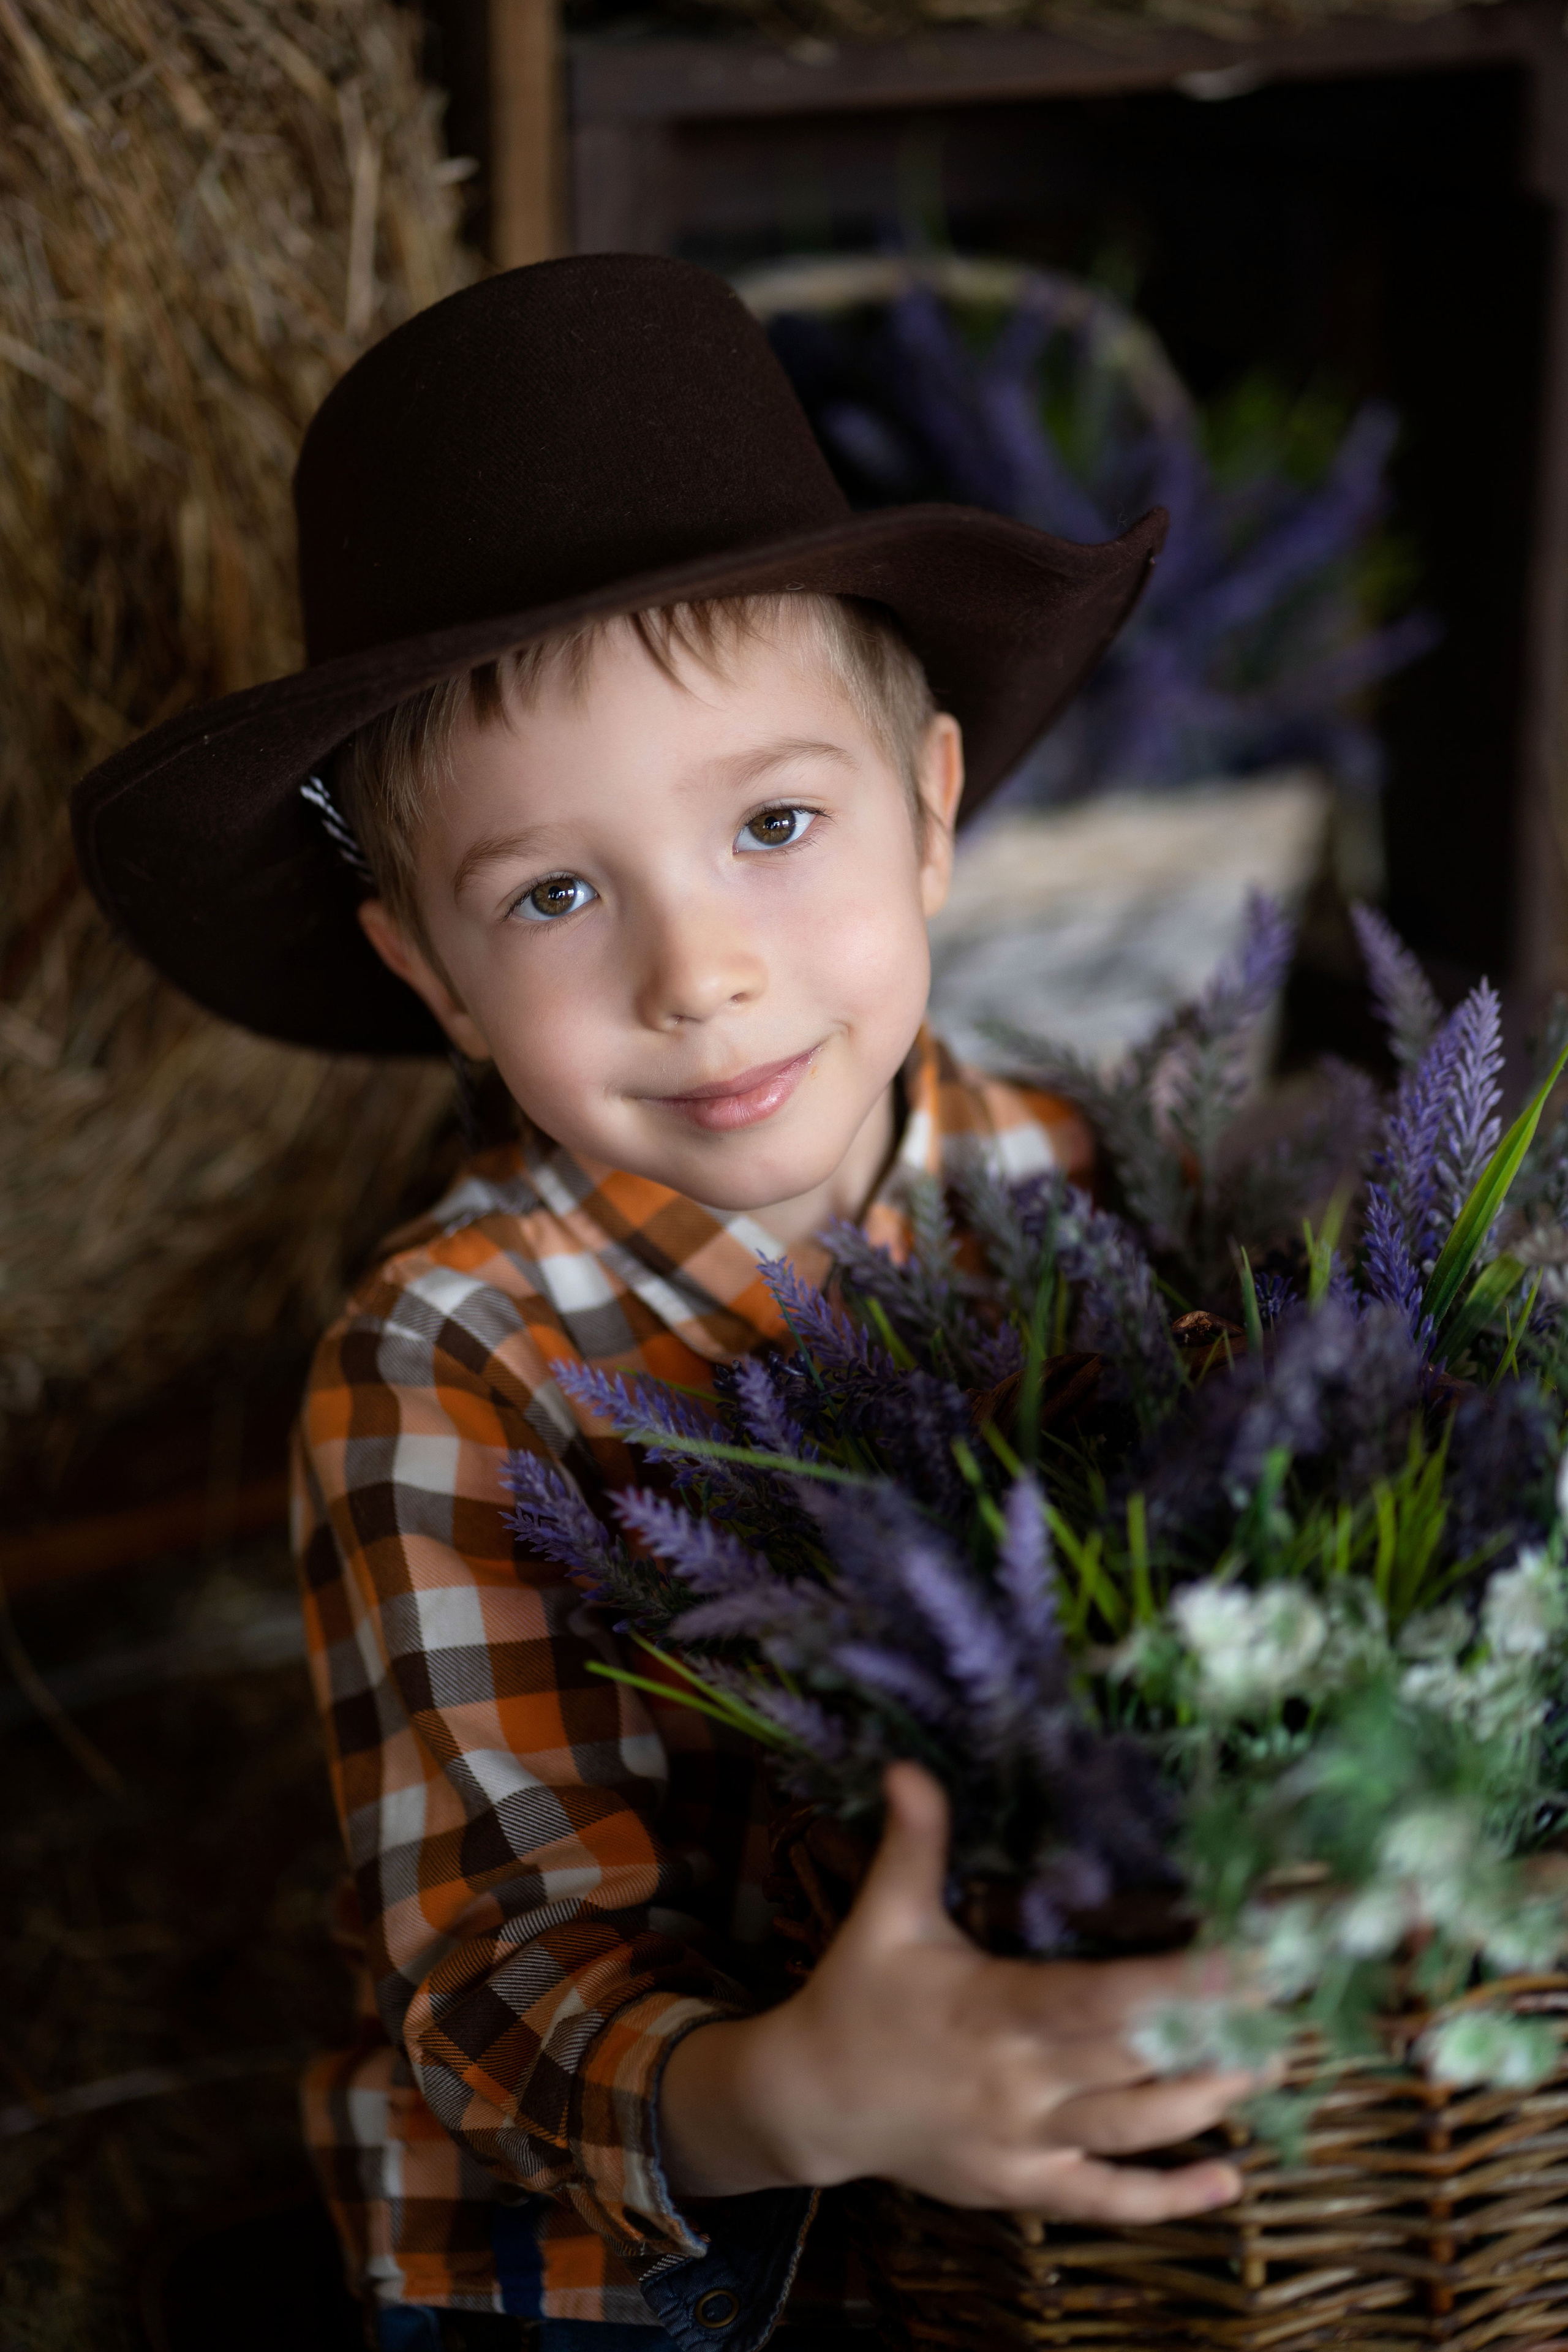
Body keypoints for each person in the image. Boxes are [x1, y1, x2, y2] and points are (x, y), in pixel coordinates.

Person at [74, 256, 1262, 2352]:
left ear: (930, 817)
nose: (696, 973)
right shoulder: (452, 1362)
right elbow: (500, 1990)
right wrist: (808, 2096)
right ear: (434, 978)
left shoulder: (1092, 1185)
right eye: (553, 893)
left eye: (776, 823)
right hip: (630, 2240)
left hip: (1050, 2148)